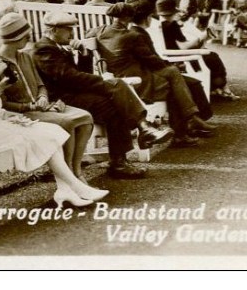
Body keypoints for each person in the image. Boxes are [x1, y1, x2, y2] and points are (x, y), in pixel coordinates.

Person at [0, 27, 108, 208]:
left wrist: (2, 89)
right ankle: (76, 187)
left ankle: (64, 189)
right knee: (39, 136)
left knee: (51, 131)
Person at [32, 12, 170, 179]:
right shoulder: (45, 49)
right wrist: (102, 81)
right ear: (54, 30)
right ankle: (140, 133)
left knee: (115, 102)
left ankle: (127, 153)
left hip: (74, 94)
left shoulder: (56, 46)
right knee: (117, 86)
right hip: (61, 99)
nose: (73, 34)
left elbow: (79, 74)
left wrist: (84, 55)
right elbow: (68, 78)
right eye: (69, 30)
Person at [96, 2, 217, 149]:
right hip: (135, 81)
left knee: (173, 80)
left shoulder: (100, 31)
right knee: (172, 74)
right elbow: (151, 60)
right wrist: (167, 65)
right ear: (128, 18)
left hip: (116, 77)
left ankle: (186, 127)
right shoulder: (131, 35)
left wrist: (77, 43)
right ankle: (189, 120)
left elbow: (87, 37)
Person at [0, 13, 94, 179]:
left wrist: (42, 97)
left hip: (41, 107)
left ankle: (76, 170)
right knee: (67, 122)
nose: (29, 39)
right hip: (20, 114)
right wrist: (29, 106)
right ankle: (67, 174)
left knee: (85, 117)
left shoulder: (24, 56)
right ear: (15, 37)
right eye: (26, 36)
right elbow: (1, 103)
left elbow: (41, 85)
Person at [155, 0, 238, 101]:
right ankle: (221, 87)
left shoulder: (158, 25)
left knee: (209, 55)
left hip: (168, 56)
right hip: (179, 58)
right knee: (212, 56)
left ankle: (218, 88)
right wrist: (203, 36)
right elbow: (183, 47)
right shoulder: (172, 25)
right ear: (173, 12)